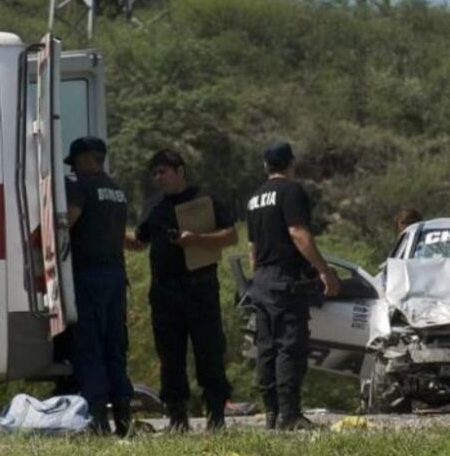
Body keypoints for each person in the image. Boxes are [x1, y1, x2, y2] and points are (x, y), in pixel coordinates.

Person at [128, 150, 238, 431]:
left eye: (163, 171)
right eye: (154, 173)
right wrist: (109, 230)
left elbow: (231, 235)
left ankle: (216, 416)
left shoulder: (204, 200)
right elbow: (140, 243)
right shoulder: (153, 206)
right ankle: (177, 418)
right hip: (165, 293)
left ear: (180, 171)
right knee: (170, 358)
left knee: (209, 354)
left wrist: (197, 239)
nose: (158, 178)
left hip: (200, 290)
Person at [245, 141, 340, 430]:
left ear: (265, 166)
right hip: (285, 280)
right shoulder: (291, 191)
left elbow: (252, 247)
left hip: (261, 280)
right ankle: (290, 415)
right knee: (289, 346)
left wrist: (260, 277)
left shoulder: (254, 198)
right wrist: (324, 271)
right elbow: (298, 233)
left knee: (266, 348)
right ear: (291, 163)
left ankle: (272, 413)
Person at [64, 136, 134, 436]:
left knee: (89, 346)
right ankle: (123, 418)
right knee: (114, 347)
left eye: (76, 163)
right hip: (116, 278)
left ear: (86, 160)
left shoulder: (81, 187)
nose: (74, 170)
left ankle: (98, 420)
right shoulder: (117, 191)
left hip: (89, 278)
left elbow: (68, 221)